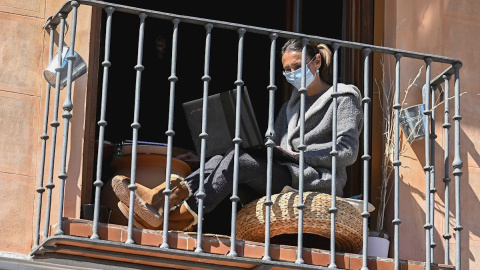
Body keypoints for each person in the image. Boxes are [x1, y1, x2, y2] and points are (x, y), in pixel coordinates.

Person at [111, 38, 363, 231]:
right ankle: (160, 199)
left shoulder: (343, 96)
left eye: (297, 66)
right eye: (287, 70)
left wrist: (298, 155)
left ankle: (180, 216)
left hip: (312, 179)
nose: (292, 74)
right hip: (283, 172)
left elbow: (347, 152)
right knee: (223, 157)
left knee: (239, 160)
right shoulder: (291, 106)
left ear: (317, 61)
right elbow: (272, 145)